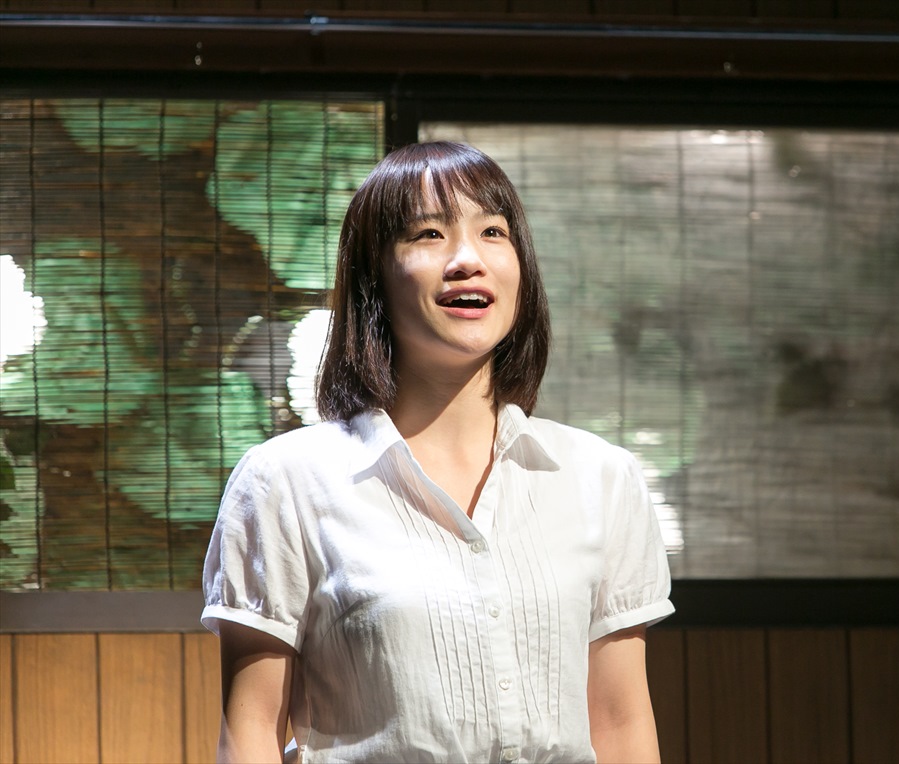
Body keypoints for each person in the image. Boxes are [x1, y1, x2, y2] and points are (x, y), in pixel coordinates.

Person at [201, 141, 674, 764]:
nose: (468, 259)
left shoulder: (600, 476)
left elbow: (620, 723)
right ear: (374, 276)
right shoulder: (285, 481)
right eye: (429, 233)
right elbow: (251, 731)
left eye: (493, 232)